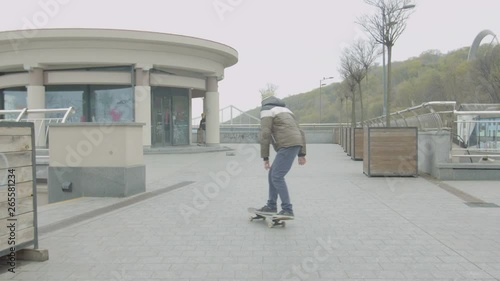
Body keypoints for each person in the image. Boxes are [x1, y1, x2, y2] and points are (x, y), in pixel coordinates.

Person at [256, 91, 306, 219]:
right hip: (295, 143)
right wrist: (301, 153)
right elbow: (300, 131)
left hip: (287, 144)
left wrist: (265, 157)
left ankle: (287, 209)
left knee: (277, 176)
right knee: (272, 174)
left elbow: (265, 134)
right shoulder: (287, 111)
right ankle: (271, 205)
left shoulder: (266, 111)